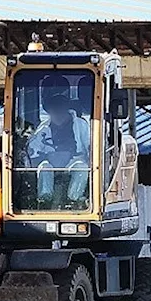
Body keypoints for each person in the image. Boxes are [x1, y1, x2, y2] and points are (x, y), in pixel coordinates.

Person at [26, 78, 91, 207]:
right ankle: (45, 200)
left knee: (82, 168)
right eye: (54, 108)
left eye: (60, 106)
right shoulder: (42, 129)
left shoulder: (81, 125)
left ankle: (74, 199)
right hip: (52, 164)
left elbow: (91, 148)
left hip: (74, 162)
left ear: (66, 107)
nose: (57, 111)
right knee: (44, 167)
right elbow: (32, 152)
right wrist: (45, 158)